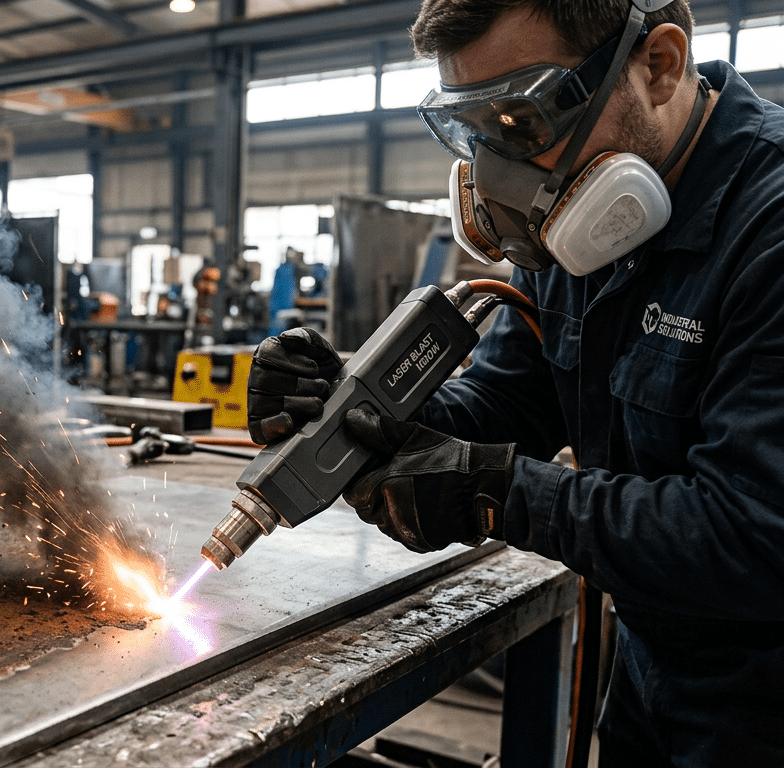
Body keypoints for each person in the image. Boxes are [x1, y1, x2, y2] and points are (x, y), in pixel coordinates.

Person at [246, 0, 784, 764]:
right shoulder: (579, 235)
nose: (498, 175)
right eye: (475, 131)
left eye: (523, 122)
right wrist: (360, 407)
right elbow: (506, 405)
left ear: (658, 66)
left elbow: (754, 540)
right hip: (654, 676)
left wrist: (497, 492)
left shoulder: (770, 225)